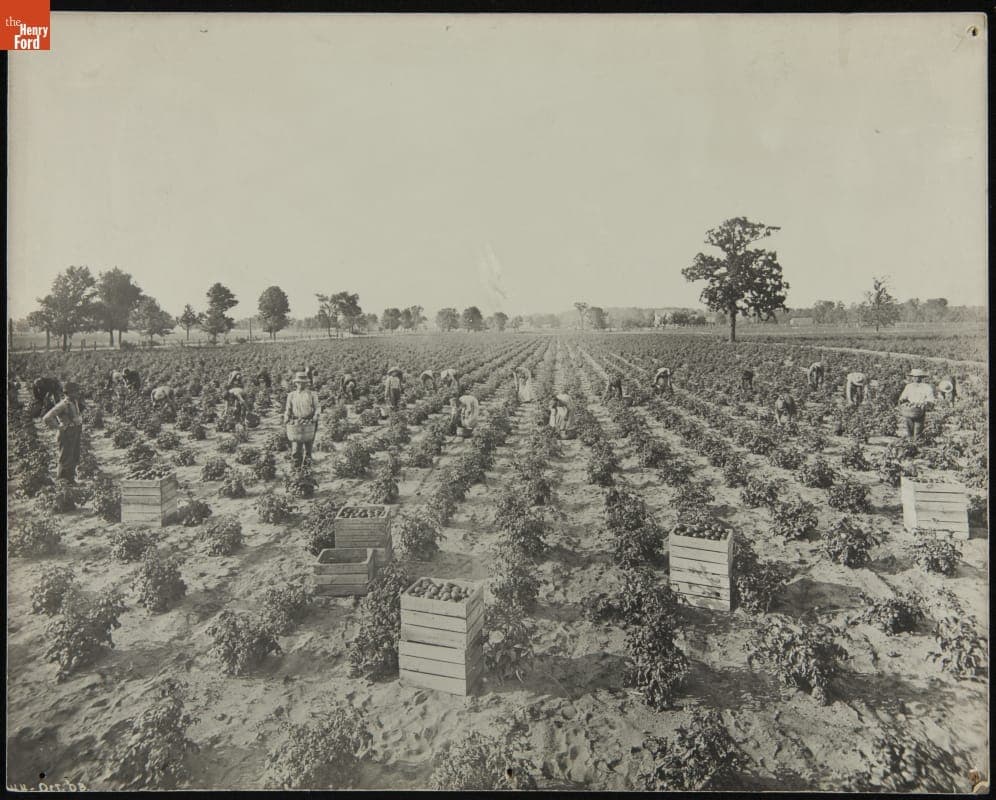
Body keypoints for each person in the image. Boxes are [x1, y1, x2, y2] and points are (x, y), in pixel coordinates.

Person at [42, 382, 84, 483]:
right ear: (69, 393)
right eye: (76, 391)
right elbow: (47, 418)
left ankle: (70, 479)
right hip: (66, 433)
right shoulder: (63, 405)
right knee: (65, 457)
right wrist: (58, 426)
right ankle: (62, 481)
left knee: (74, 456)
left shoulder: (74, 402)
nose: (78, 393)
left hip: (75, 431)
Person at [284, 371, 320, 466]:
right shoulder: (291, 395)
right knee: (296, 447)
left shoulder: (312, 394)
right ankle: (296, 467)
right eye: (299, 382)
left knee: (308, 445)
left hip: (309, 421)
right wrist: (287, 417)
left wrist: (316, 416)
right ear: (296, 383)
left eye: (303, 382)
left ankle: (307, 467)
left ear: (306, 383)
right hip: (296, 421)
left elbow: (317, 407)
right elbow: (288, 409)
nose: (301, 384)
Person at [898, 368, 936, 442]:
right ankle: (910, 442)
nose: (916, 378)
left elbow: (931, 399)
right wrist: (902, 400)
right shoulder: (909, 386)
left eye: (918, 377)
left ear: (922, 378)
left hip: (920, 410)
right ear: (912, 377)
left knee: (918, 428)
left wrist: (925, 403)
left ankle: (917, 442)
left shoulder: (927, 387)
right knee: (909, 428)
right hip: (909, 410)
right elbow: (903, 397)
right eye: (914, 377)